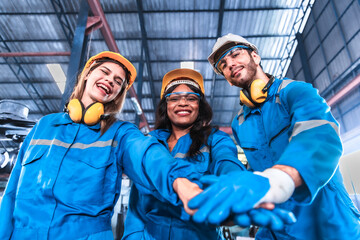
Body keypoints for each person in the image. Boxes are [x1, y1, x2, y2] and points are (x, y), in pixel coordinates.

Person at [0, 51, 203, 240]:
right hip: (22, 234)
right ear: (87, 74)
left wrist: (179, 181)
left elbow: (147, 155)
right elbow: (11, 191)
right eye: (105, 72)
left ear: (117, 94)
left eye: (118, 81)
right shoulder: (44, 125)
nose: (109, 81)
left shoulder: (119, 133)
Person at [188, 34, 360, 239]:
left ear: (255, 57)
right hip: (281, 227)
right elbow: (256, 169)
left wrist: (279, 180)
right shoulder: (240, 123)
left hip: (329, 224)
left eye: (235, 54)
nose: (230, 64)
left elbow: (319, 136)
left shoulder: (294, 92)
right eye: (223, 64)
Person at [122, 68, 296, 240]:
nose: (183, 103)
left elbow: (226, 160)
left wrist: (235, 182)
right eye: (174, 98)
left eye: (191, 98)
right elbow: (137, 203)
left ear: (200, 106)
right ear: (165, 105)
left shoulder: (215, 140)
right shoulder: (149, 142)